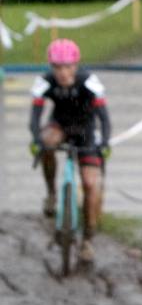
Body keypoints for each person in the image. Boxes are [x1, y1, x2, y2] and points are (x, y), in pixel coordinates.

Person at [29, 38, 111, 268]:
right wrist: (36, 139)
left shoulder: (89, 81)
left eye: (67, 67)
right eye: (57, 67)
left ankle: (88, 239)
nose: (62, 73)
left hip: (85, 130)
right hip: (60, 127)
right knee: (46, 142)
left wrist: (104, 142)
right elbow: (34, 117)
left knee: (90, 183)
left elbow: (104, 117)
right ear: (51, 67)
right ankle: (52, 193)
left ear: (76, 66)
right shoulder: (44, 82)